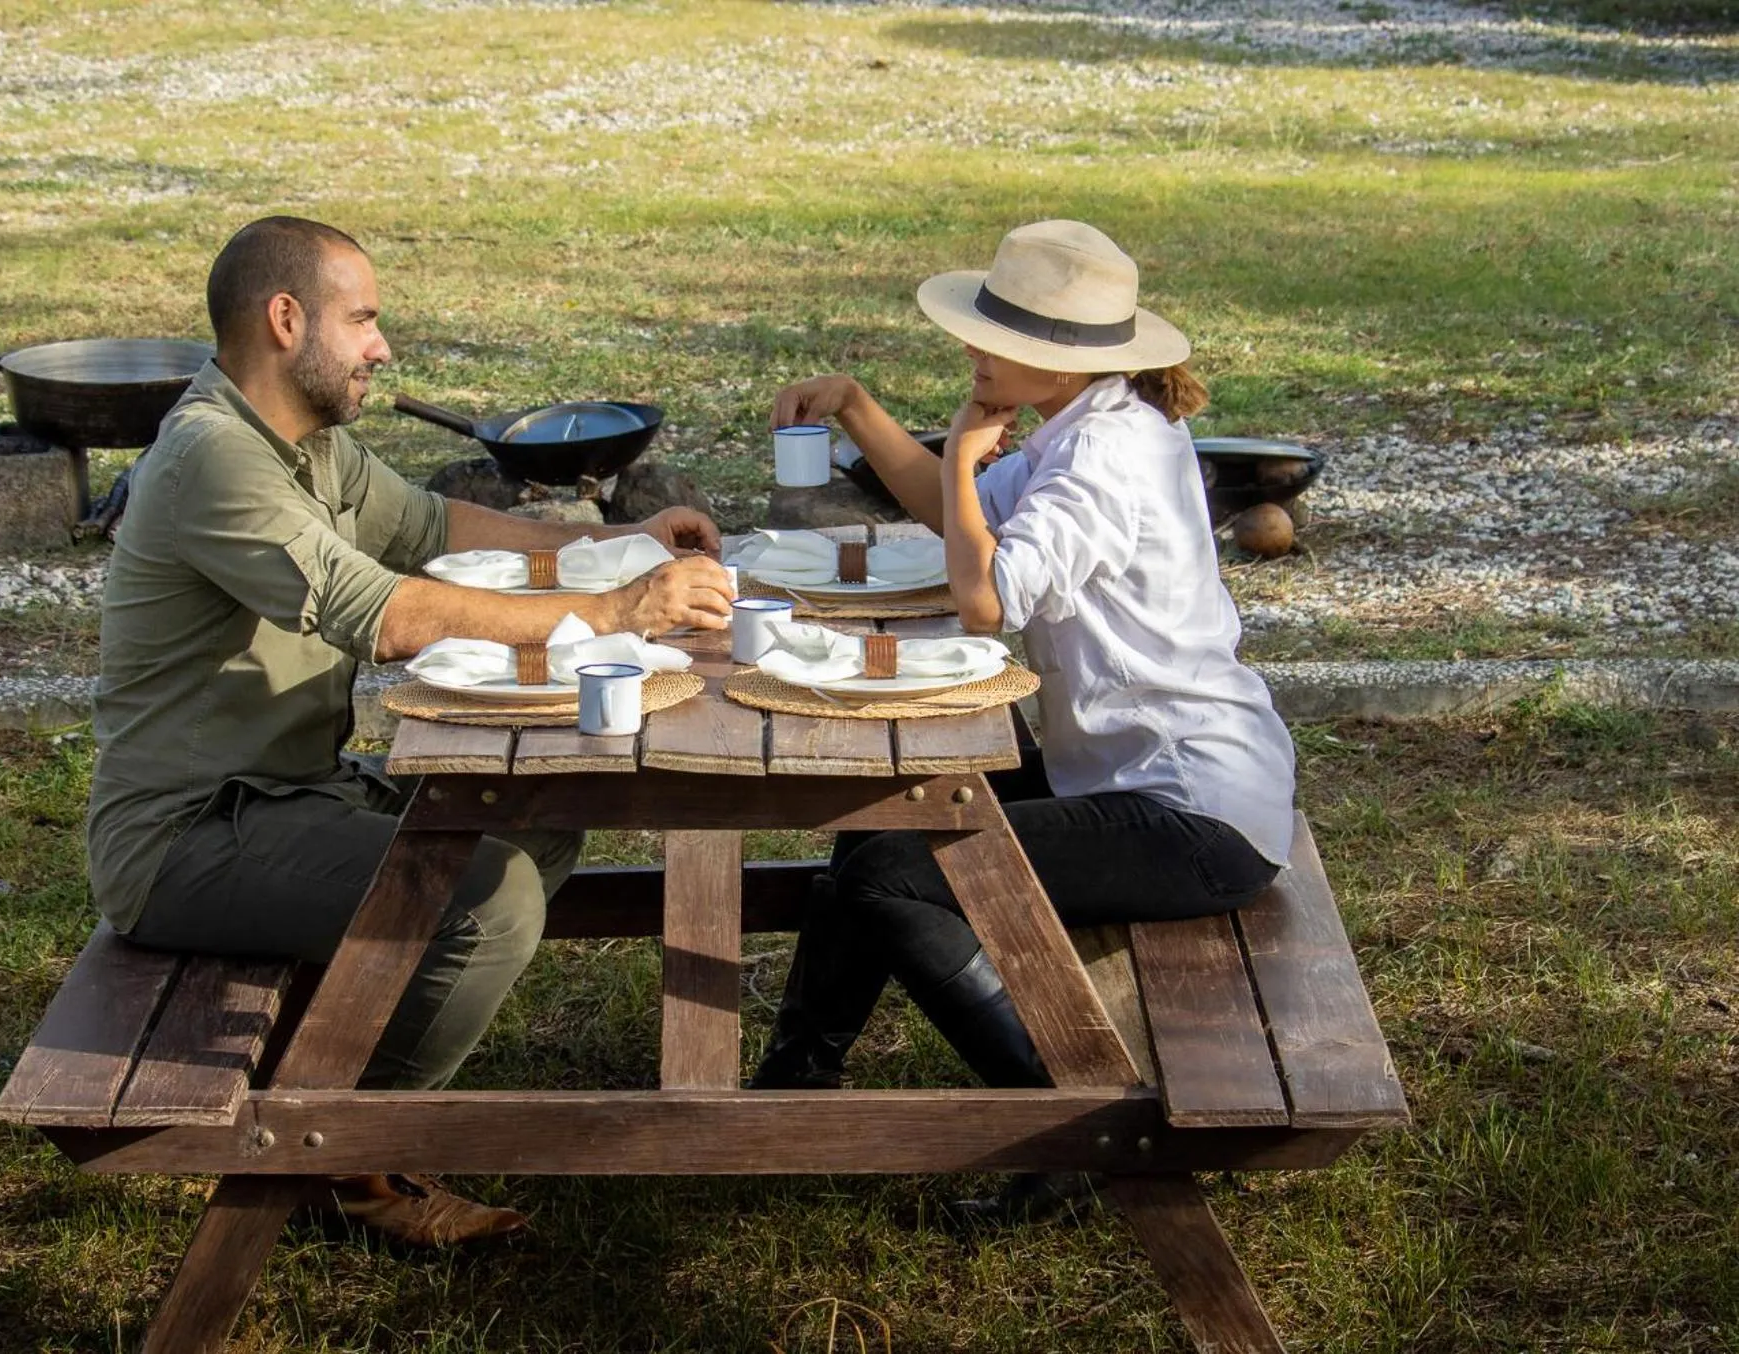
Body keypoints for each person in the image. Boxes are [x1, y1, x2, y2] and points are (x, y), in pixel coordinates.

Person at [88, 216, 732, 1245]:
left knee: (537, 819)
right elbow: (386, 615)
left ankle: (335, 1080)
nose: (381, 346)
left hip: (291, 793)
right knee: (490, 900)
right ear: (286, 319)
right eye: (363, 319)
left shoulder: (307, 442)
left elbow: (435, 531)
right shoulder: (213, 456)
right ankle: (335, 1157)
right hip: (185, 836)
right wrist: (615, 611)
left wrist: (616, 544)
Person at [751, 220, 1296, 1224]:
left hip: (1192, 818)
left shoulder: (1100, 458)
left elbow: (985, 598)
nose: (971, 348)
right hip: (1144, 774)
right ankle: (791, 1087)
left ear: (1059, 357)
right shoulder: (1092, 422)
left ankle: (1075, 1125)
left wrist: (963, 458)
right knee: (883, 815)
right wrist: (858, 408)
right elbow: (949, 517)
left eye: (993, 338)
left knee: (889, 876)